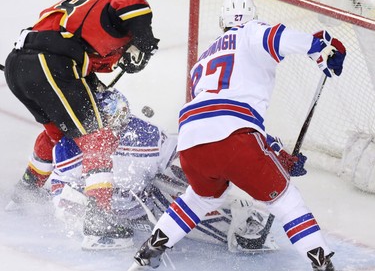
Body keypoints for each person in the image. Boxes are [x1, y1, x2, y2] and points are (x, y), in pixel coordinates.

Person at [128, 0, 346, 271]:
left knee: (199, 198)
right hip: (235, 135)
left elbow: (217, 119)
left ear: (222, 22)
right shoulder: (252, 32)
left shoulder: (203, 61)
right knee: (285, 200)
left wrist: (276, 154)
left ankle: (150, 250)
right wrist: (319, 48)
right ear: (252, 17)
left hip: (191, 140)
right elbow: (278, 37)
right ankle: (322, 262)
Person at [4, 0, 159, 247]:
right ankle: (99, 222)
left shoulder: (87, 3)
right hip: (51, 63)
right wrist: (145, 40)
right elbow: (132, 7)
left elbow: (81, 48)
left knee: (57, 134)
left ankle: (25, 193)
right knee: (97, 136)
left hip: (20, 64)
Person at [49, 88, 287, 252]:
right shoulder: (70, 146)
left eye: (123, 117)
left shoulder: (145, 135)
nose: (120, 125)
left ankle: (230, 223)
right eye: (111, 120)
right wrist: (79, 217)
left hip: (145, 206)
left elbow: (182, 158)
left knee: (182, 189)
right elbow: (60, 190)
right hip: (106, 215)